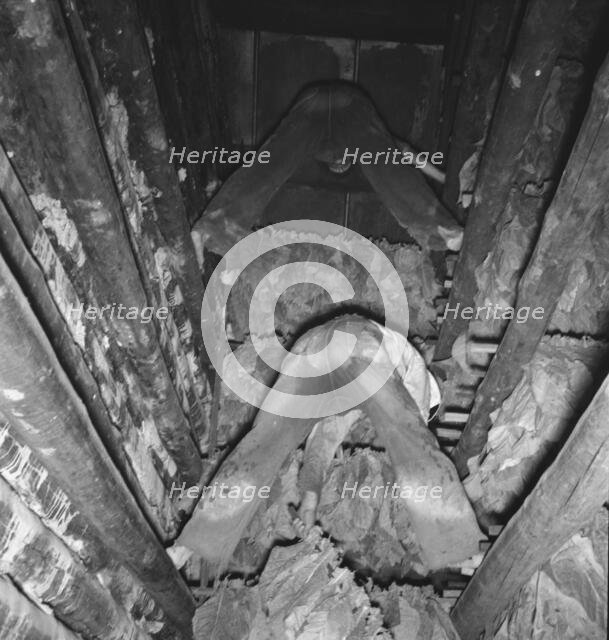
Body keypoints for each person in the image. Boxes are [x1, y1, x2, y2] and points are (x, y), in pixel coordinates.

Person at [191, 83, 463, 260]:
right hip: (346, 101)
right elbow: (402, 156)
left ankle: (211, 227)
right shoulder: (357, 148)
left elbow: (268, 162)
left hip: (318, 100)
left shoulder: (321, 146)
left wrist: (443, 178)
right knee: (386, 165)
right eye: (341, 166)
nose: (340, 164)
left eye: (339, 165)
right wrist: (441, 177)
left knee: (271, 162)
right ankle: (443, 229)